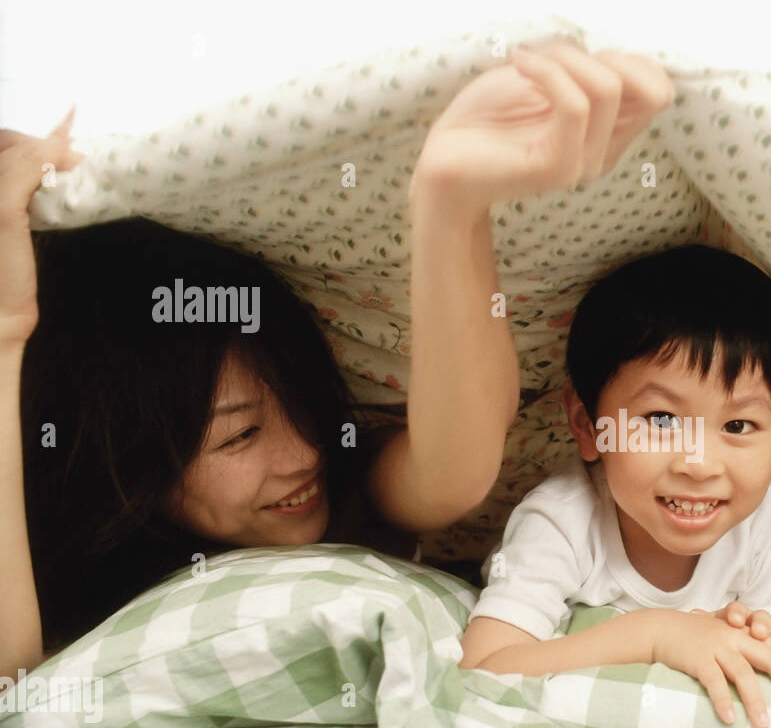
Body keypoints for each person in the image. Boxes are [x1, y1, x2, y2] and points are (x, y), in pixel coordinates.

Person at [0, 42, 677, 678]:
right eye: (240, 433)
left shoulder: (346, 503)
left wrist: (451, 204)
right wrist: (6, 335)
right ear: (135, 459)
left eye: (299, 405)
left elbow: (455, 469)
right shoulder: (92, 572)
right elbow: (11, 673)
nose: (303, 452)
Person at [458, 244, 771, 728]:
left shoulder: (764, 518)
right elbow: (483, 669)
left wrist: (759, 641)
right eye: (662, 419)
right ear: (587, 424)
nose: (699, 464)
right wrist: (655, 635)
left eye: (738, 426)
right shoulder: (562, 520)